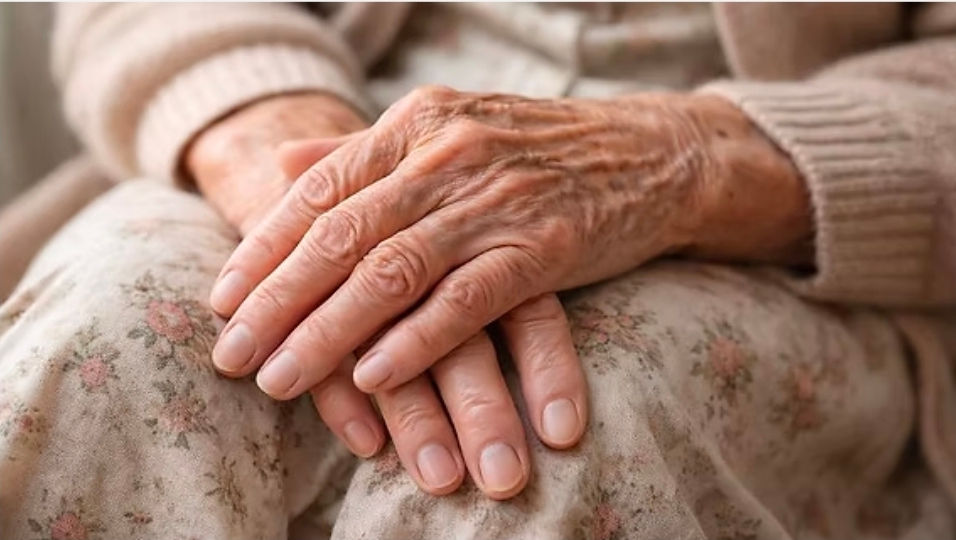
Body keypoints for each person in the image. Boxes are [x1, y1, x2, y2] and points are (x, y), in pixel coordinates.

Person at [1, 3, 953, 538]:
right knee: (118, 340)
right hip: (324, 100)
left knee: (554, 436)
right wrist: (319, 184)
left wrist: (687, 162)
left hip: (781, 172)